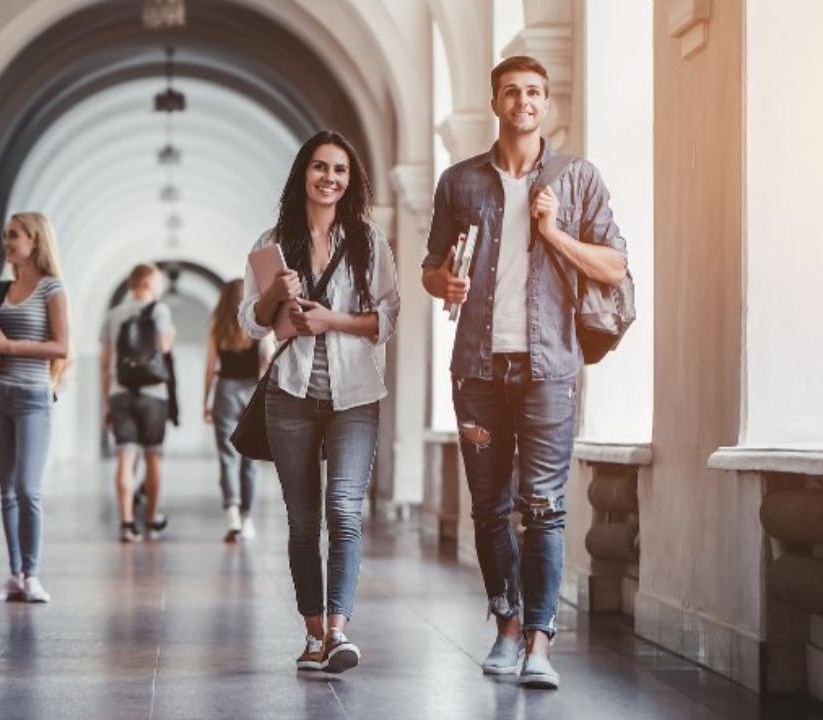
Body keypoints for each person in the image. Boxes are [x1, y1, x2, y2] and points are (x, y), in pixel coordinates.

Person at [421, 56, 629, 689]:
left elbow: (615, 267)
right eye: (512, 91)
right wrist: (443, 281)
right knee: (489, 507)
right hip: (477, 371)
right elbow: (431, 267)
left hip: (549, 370)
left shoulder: (578, 179)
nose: (524, 101)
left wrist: (554, 232)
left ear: (547, 103)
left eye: (535, 91)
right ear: (496, 102)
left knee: (543, 508)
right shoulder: (460, 182)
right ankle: (506, 627)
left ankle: (540, 641)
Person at [238, 130, 399, 674]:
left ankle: (338, 632)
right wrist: (274, 294)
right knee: (304, 520)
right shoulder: (272, 242)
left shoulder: (369, 242)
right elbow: (251, 325)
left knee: (344, 510)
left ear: (350, 182)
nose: (329, 178)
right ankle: (312, 635)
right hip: (291, 394)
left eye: (340, 170)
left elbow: (387, 318)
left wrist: (332, 320)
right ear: (303, 174)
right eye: (320, 168)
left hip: (355, 395)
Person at [0, 212, 69, 604]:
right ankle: (14, 574)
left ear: (34, 240)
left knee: (28, 489)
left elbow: (62, 347)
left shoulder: (52, 289)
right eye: (4, 236)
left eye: (13, 236)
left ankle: (32, 574)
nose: (6, 243)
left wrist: (9, 348)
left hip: (33, 396)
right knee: (6, 491)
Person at [101, 264, 176, 542]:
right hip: (153, 393)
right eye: (158, 282)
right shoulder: (160, 310)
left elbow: (105, 362)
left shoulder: (113, 315)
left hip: (120, 392)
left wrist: (105, 404)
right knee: (152, 457)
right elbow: (164, 348)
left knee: (125, 458)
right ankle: (152, 519)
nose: (160, 288)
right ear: (147, 283)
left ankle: (126, 523)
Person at [202, 279, 268, 542]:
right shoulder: (259, 325)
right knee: (249, 459)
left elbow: (209, 368)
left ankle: (232, 515)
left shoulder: (217, 328)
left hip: (225, 392)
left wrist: (205, 402)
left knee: (227, 456)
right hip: (251, 391)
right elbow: (268, 360)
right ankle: (248, 518)